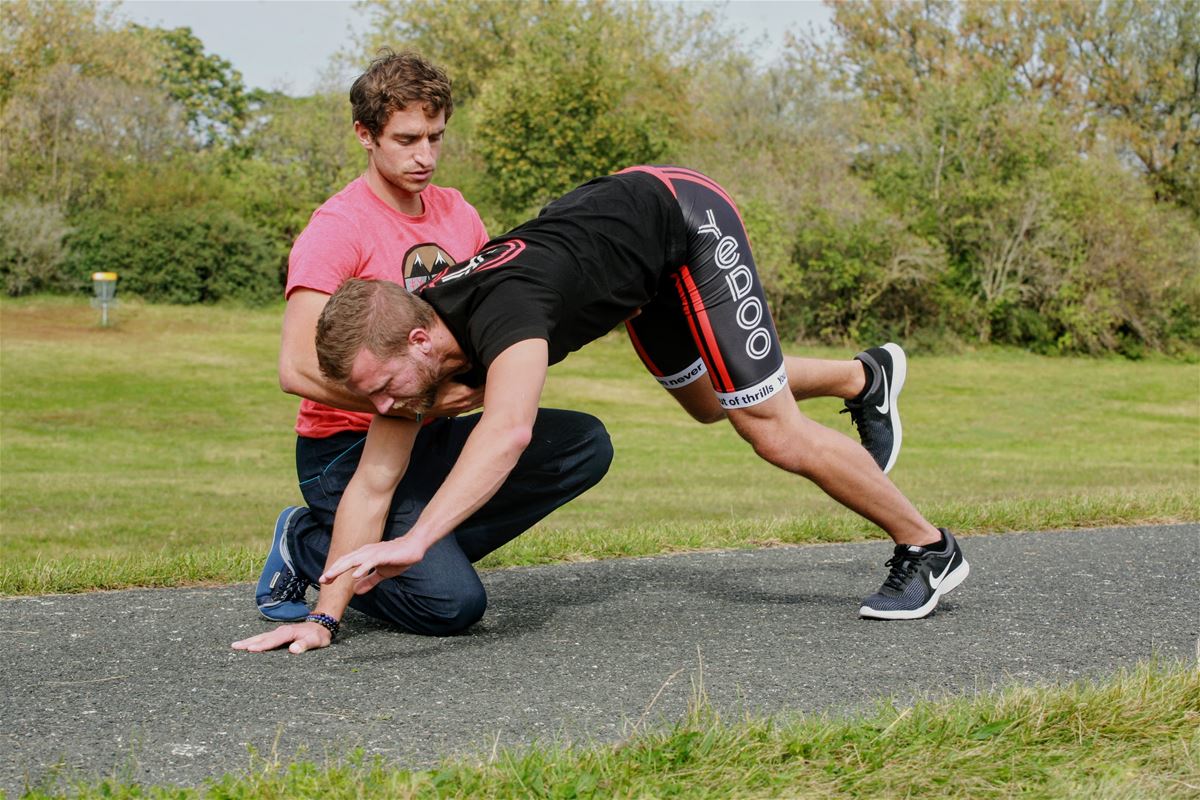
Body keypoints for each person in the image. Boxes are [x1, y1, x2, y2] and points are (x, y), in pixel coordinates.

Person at [309, 165, 970, 640]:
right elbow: (372, 482)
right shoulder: (415, 366)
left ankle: (928, 547)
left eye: (381, 385)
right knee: (711, 404)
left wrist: (419, 540)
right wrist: (324, 618)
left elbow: (507, 433)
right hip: (636, 263)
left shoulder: (504, 316)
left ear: (420, 338)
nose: (378, 402)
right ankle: (862, 378)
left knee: (770, 430)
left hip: (685, 223)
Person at [233, 51, 615, 653]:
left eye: (436, 137)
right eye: (407, 140)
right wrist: (411, 405)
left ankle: (417, 545)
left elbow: (493, 327)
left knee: (581, 445)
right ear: (365, 134)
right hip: (347, 447)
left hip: (425, 429)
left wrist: (448, 400)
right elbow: (297, 366)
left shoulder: (458, 213)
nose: (425, 157)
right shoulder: (339, 229)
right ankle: (310, 539)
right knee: (450, 605)